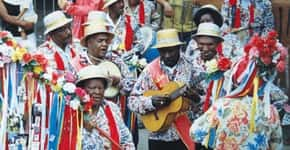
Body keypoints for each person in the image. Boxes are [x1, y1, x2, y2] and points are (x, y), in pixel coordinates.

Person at [190, 31, 285, 150]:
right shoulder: (270, 111)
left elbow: (194, 134)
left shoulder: (221, 106)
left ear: (235, 80)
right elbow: (277, 146)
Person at [128, 28, 202, 150]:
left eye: (171, 51)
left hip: (185, 134)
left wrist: (195, 98)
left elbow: (205, 101)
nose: (167, 55)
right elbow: (132, 101)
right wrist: (151, 102)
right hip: (158, 136)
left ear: (178, 48)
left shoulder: (192, 67)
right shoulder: (150, 70)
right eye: (162, 51)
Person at [37, 11, 79, 149]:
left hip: (77, 103)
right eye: (63, 30)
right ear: (52, 34)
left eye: (68, 27)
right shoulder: (42, 53)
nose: (68, 32)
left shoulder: (77, 48)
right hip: (54, 106)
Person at [76, 65, 135, 149]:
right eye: (92, 88)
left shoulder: (112, 108)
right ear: (82, 89)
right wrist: (87, 131)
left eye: (100, 88)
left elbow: (126, 139)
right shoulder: (74, 112)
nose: (97, 92)